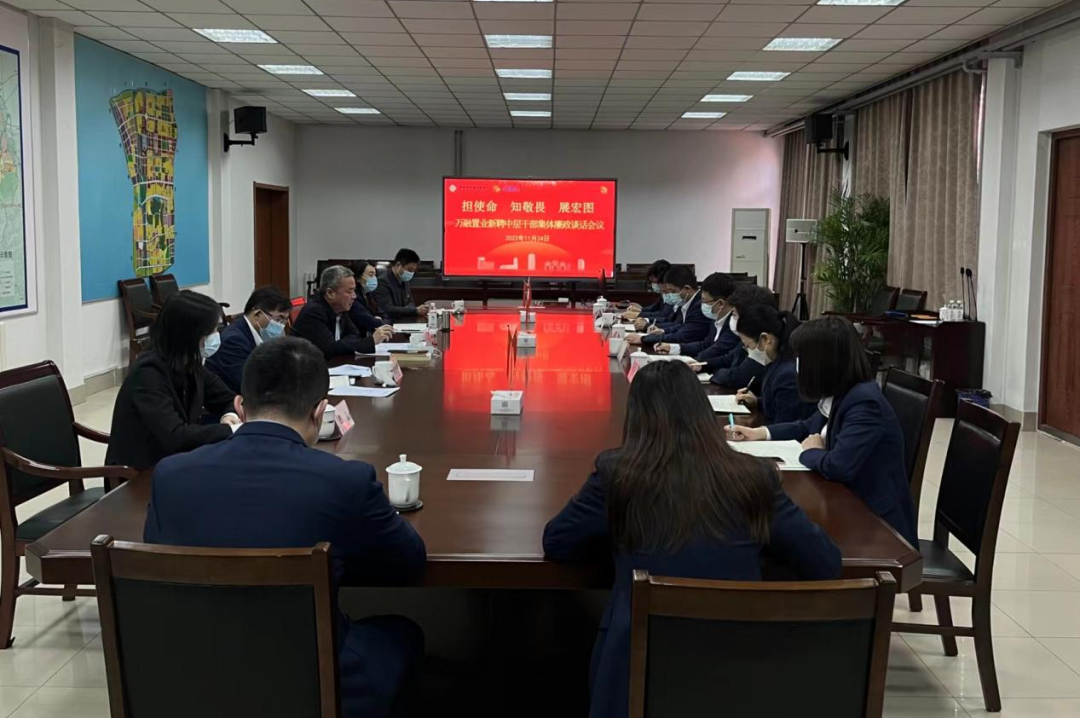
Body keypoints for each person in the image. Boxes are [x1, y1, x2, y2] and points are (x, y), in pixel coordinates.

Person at [145, 338, 426, 718]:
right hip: (312, 684)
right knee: (402, 632)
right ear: (319, 411)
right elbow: (410, 562)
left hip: (192, 680)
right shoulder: (345, 481)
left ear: (240, 406)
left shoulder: (171, 475)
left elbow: (157, 559)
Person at [543, 361, 841, 718]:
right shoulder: (753, 476)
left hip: (634, 675)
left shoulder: (617, 472)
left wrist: (617, 535)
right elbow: (825, 561)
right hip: (741, 672)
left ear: (636, 417)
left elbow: (559, 541)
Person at [726, 316, 917, 546]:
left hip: (875, 526)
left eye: (801, 358)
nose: (797, 365)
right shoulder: (842, 392)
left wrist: (812, 451)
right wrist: (761, 433)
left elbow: (838, 466)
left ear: (822, 361)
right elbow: (807, 426)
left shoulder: (865, 403)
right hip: (843, 502)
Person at [106, 290, 239, 471]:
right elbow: (176, 436)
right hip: (141, 472)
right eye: (211, 331)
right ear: (190, 334)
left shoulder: (188, 362)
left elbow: (228, 399)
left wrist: (229, 416)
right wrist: (231, 430)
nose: (216, 336)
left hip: (177, 460)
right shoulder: (148, 373)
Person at [731, 304, 817, 424]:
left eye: (748, 345)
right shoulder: (777, 362)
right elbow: (779, 403)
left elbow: (786, 423)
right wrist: (757, 401)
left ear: (765, 339)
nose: (747, 350)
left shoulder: (788, 374)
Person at [292, 265, 393, 359]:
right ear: (330, 293)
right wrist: (371, 341)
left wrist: (341, 344)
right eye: (349, 291)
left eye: (354, 290)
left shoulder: (340, 308)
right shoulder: (314, 311)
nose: (354, 296)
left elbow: (355, 335)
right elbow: (329, 349)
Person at [205, 286, 292, 393]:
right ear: (257, 314)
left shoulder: (262, 335)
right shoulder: (233, 340)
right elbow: (249, 385)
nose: (281, 326)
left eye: (285, 321)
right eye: (279, 319)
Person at [702, 284, 779, 389]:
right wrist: (703, 366)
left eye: (734, 314)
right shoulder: (746, 338)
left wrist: (715, 373)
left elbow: (736, 377)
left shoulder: (761, 344)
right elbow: (729, 358)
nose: (731, 319)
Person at [655, 272, 738, 360]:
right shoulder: (717, 318)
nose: (701, 304)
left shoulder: (734, 325)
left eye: (704, 301)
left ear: (720, 303)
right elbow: (705, 345)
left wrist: (692, 361)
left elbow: (717, 351)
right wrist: (673, 348)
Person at [625, 265, 711, 347]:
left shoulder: (699, 306)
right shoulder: (685, 301)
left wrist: (644, 339)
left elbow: (682, 336)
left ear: (687, 288)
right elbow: (679, 325)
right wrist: (663, 331)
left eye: (673, 292)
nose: (670, 295)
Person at [375, 248, 430, 319]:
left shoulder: (404, 279)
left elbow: (410, 301)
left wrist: (412, 309)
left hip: (403, 319)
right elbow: (387, 309)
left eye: (413, 270)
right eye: (409, 270)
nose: (411, 273)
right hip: (389, 321)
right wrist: (415, 310)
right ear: (398, 265)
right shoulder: (383, 281)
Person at [622, 260, 672, 325]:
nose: (652, 284)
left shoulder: (672, 296)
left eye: (653, 281)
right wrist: (640, 310)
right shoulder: (664, 293)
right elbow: (653, 308)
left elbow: (663, 315)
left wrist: (639, 315)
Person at [348, 260, 391, 334]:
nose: (374, 278)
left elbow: (386, 317)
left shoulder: (369, 294)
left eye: (375, 275)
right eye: (371, 275)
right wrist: (377, 320)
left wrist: (378, 320)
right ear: (358, 278)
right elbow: (371, 322)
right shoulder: (353, 297)